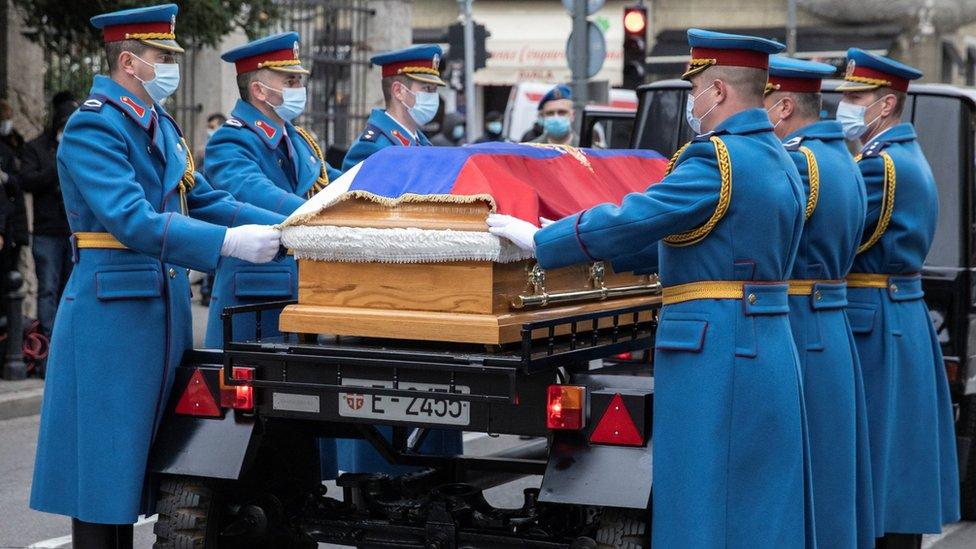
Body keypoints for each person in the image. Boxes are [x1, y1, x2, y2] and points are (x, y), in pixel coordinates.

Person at [489, 29, 814, 547]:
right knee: (754, 503)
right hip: (767, 343)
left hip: (715, 349)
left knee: (702, 495)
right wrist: (605, 260)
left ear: (719, 92)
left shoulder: (716, 159)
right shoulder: (783, 159)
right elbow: (692, 239)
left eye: (695, 89)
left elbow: (635, 216)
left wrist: (543, 240)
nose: (693, 101)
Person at [29, 5, 286, 547]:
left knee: (141, 466)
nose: (172, 64)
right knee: (104, 469)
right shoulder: (93, 125)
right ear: (128, 61)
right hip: (113, 312)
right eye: (162, 56)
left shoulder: (159, 125)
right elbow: (130, 218)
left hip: (156, 308)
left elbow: (205, 198)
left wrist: (292, 227)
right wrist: (228, 244)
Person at [836, 48, 960, 549]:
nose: (845, 106)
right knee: (894, 462)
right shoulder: (902, 158)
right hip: (896, 313)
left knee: (877, 462)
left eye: (857, 96)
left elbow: (829, 236)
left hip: (875, 319)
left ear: (886, 105)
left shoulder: (880, 166)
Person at [764, 56, 875, 549]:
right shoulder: (844, 159)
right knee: (828, 472)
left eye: (760, 100)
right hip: (828, 321)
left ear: (783, 106)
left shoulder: (800, 161)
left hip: (798, 322)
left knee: (792, 475)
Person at [18, 95, 77, 337]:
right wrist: (57, 163)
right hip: (47, 232)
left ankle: (67, 341)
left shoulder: (80, 147)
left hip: (74, 231)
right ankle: (48, 346)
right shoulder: (36, 148)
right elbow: (27, 180)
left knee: (71, 290)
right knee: (48, 289)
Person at [341, 44, 446, 171]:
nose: (433, 96)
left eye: (434, 90)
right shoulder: (372, 148)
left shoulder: (422, 143)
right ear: (398, 91)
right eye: (426, 88)